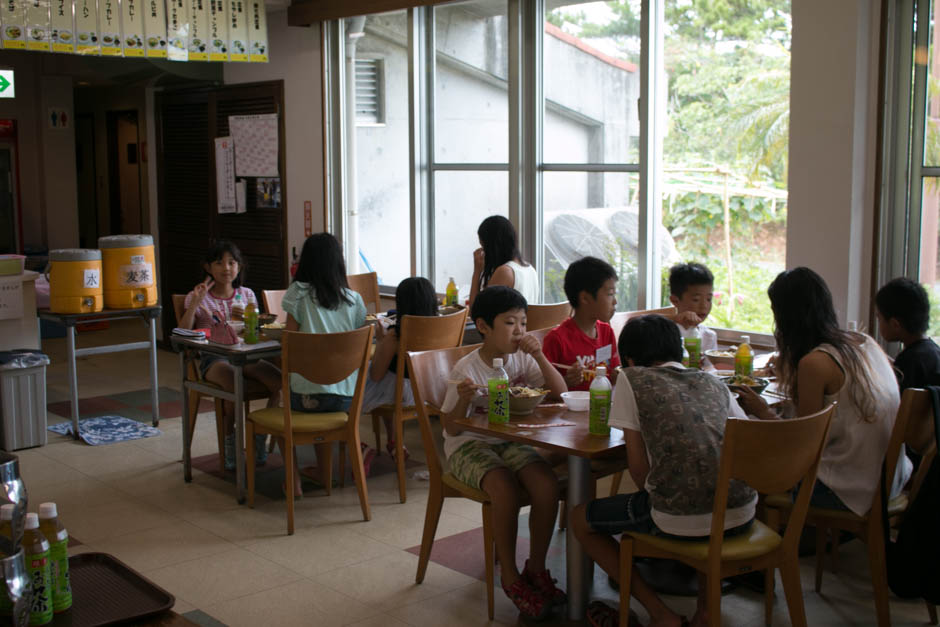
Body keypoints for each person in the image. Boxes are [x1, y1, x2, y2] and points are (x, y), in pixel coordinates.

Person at [571, 315, 755, 627]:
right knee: (706, 494)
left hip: (679, 517)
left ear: (628, 359)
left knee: (580, 519)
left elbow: (639, 469)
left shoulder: (632, 378)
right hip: (743, 511)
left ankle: (660, 613)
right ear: (679, 351)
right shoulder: (713, 382)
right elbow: (748, 439)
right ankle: (706, 611)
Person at [736, 267, 912, 515]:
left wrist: (761, 410)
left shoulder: (815, 363)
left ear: (785, 317)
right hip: (891, 478)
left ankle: (778, 540)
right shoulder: (863, 342)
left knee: (750, 461)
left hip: (850, 489)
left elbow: (803, 443)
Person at [441, 286, 567, 620]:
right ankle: (509, 575)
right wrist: (465, 399)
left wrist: (539, 355)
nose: (520, 331)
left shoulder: (524, 357)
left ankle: (536, 568)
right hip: (468, 445)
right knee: (505, 489)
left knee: (547, 485)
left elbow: (562, 393)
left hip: (511, 441)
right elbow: (451, 427)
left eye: (524, 323)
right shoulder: (466, 369)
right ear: (483, 326)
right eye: (510, 323)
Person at [180, 240, 281, 471]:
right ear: (208, 267)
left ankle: (259, 436)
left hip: (246, 356)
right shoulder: (198, 296)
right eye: (219, 263)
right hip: (214, 358)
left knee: (280, 382)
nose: (226, 268)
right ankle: (230, 443)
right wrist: (195, 303)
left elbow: (255, 332)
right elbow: (183, 333)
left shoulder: (246, 295)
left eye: (232, 262)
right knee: (234, 385)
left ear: (239, 266)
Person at [281, 233, 368, 495]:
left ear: (305, 262)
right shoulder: (354, 300)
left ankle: (293, 479)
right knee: (322, 393)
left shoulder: (297, 294)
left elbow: (290, 344)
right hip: (346, 400)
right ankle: (323, 471)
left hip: (307, 398)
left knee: (276, 406)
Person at [363, 276, 439, 463]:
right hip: (430, 391)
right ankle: (394, 442)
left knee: (352, 387)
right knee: (390, 382)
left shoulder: (395, 335)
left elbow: (376, 375)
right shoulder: (441, 328)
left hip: (401, 394)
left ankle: (358, 446)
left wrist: (381, 341)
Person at [542, 256, 620, 391]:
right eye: (610, 294)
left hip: (601, 405)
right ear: (585, 298)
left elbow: (612, 375)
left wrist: (619, 375)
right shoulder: (557, 339)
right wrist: (566, 382)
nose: (615, 301)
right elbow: (542, 391)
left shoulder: (606, 332)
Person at [875, 277, 940, 390]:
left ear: (895, 324)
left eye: (879, 318)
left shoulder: (907, 363)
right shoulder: (934, 352)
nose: (879, 323)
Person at [468, 215, 538, 308]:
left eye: (483, 245)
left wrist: (477, 272)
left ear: (491, 246)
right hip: (527, 322)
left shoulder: (505, 272)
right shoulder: (530, 269)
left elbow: (475, 312)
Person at [668, 262, 718, 353]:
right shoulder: (664, 332)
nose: (704, 305)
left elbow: (709, 367)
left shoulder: (709, 336)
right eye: (696, 300)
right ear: (675, 300)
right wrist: (674, 318)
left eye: (708, 299)